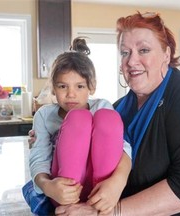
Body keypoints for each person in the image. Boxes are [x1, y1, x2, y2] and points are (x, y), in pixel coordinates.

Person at [55, 11, 180, 215]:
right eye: (125, 53)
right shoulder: (117, 109)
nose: (131, 61)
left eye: (143, 50)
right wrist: (54, 136)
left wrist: (108, 212)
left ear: (166, 55)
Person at [26, 37, 132, 215]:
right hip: (63, 191)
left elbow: (123, 148)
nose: (71, 94)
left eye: (80, 86)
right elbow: (38, 157)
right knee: (78, 119)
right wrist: (47, 186)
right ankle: (71, 207)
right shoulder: (44, 115)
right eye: (62, 86)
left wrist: (117, 182)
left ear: (92, 87)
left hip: (102, 188)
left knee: (107, 118)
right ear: (53, 88)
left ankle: (100, 201)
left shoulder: (102, 106)